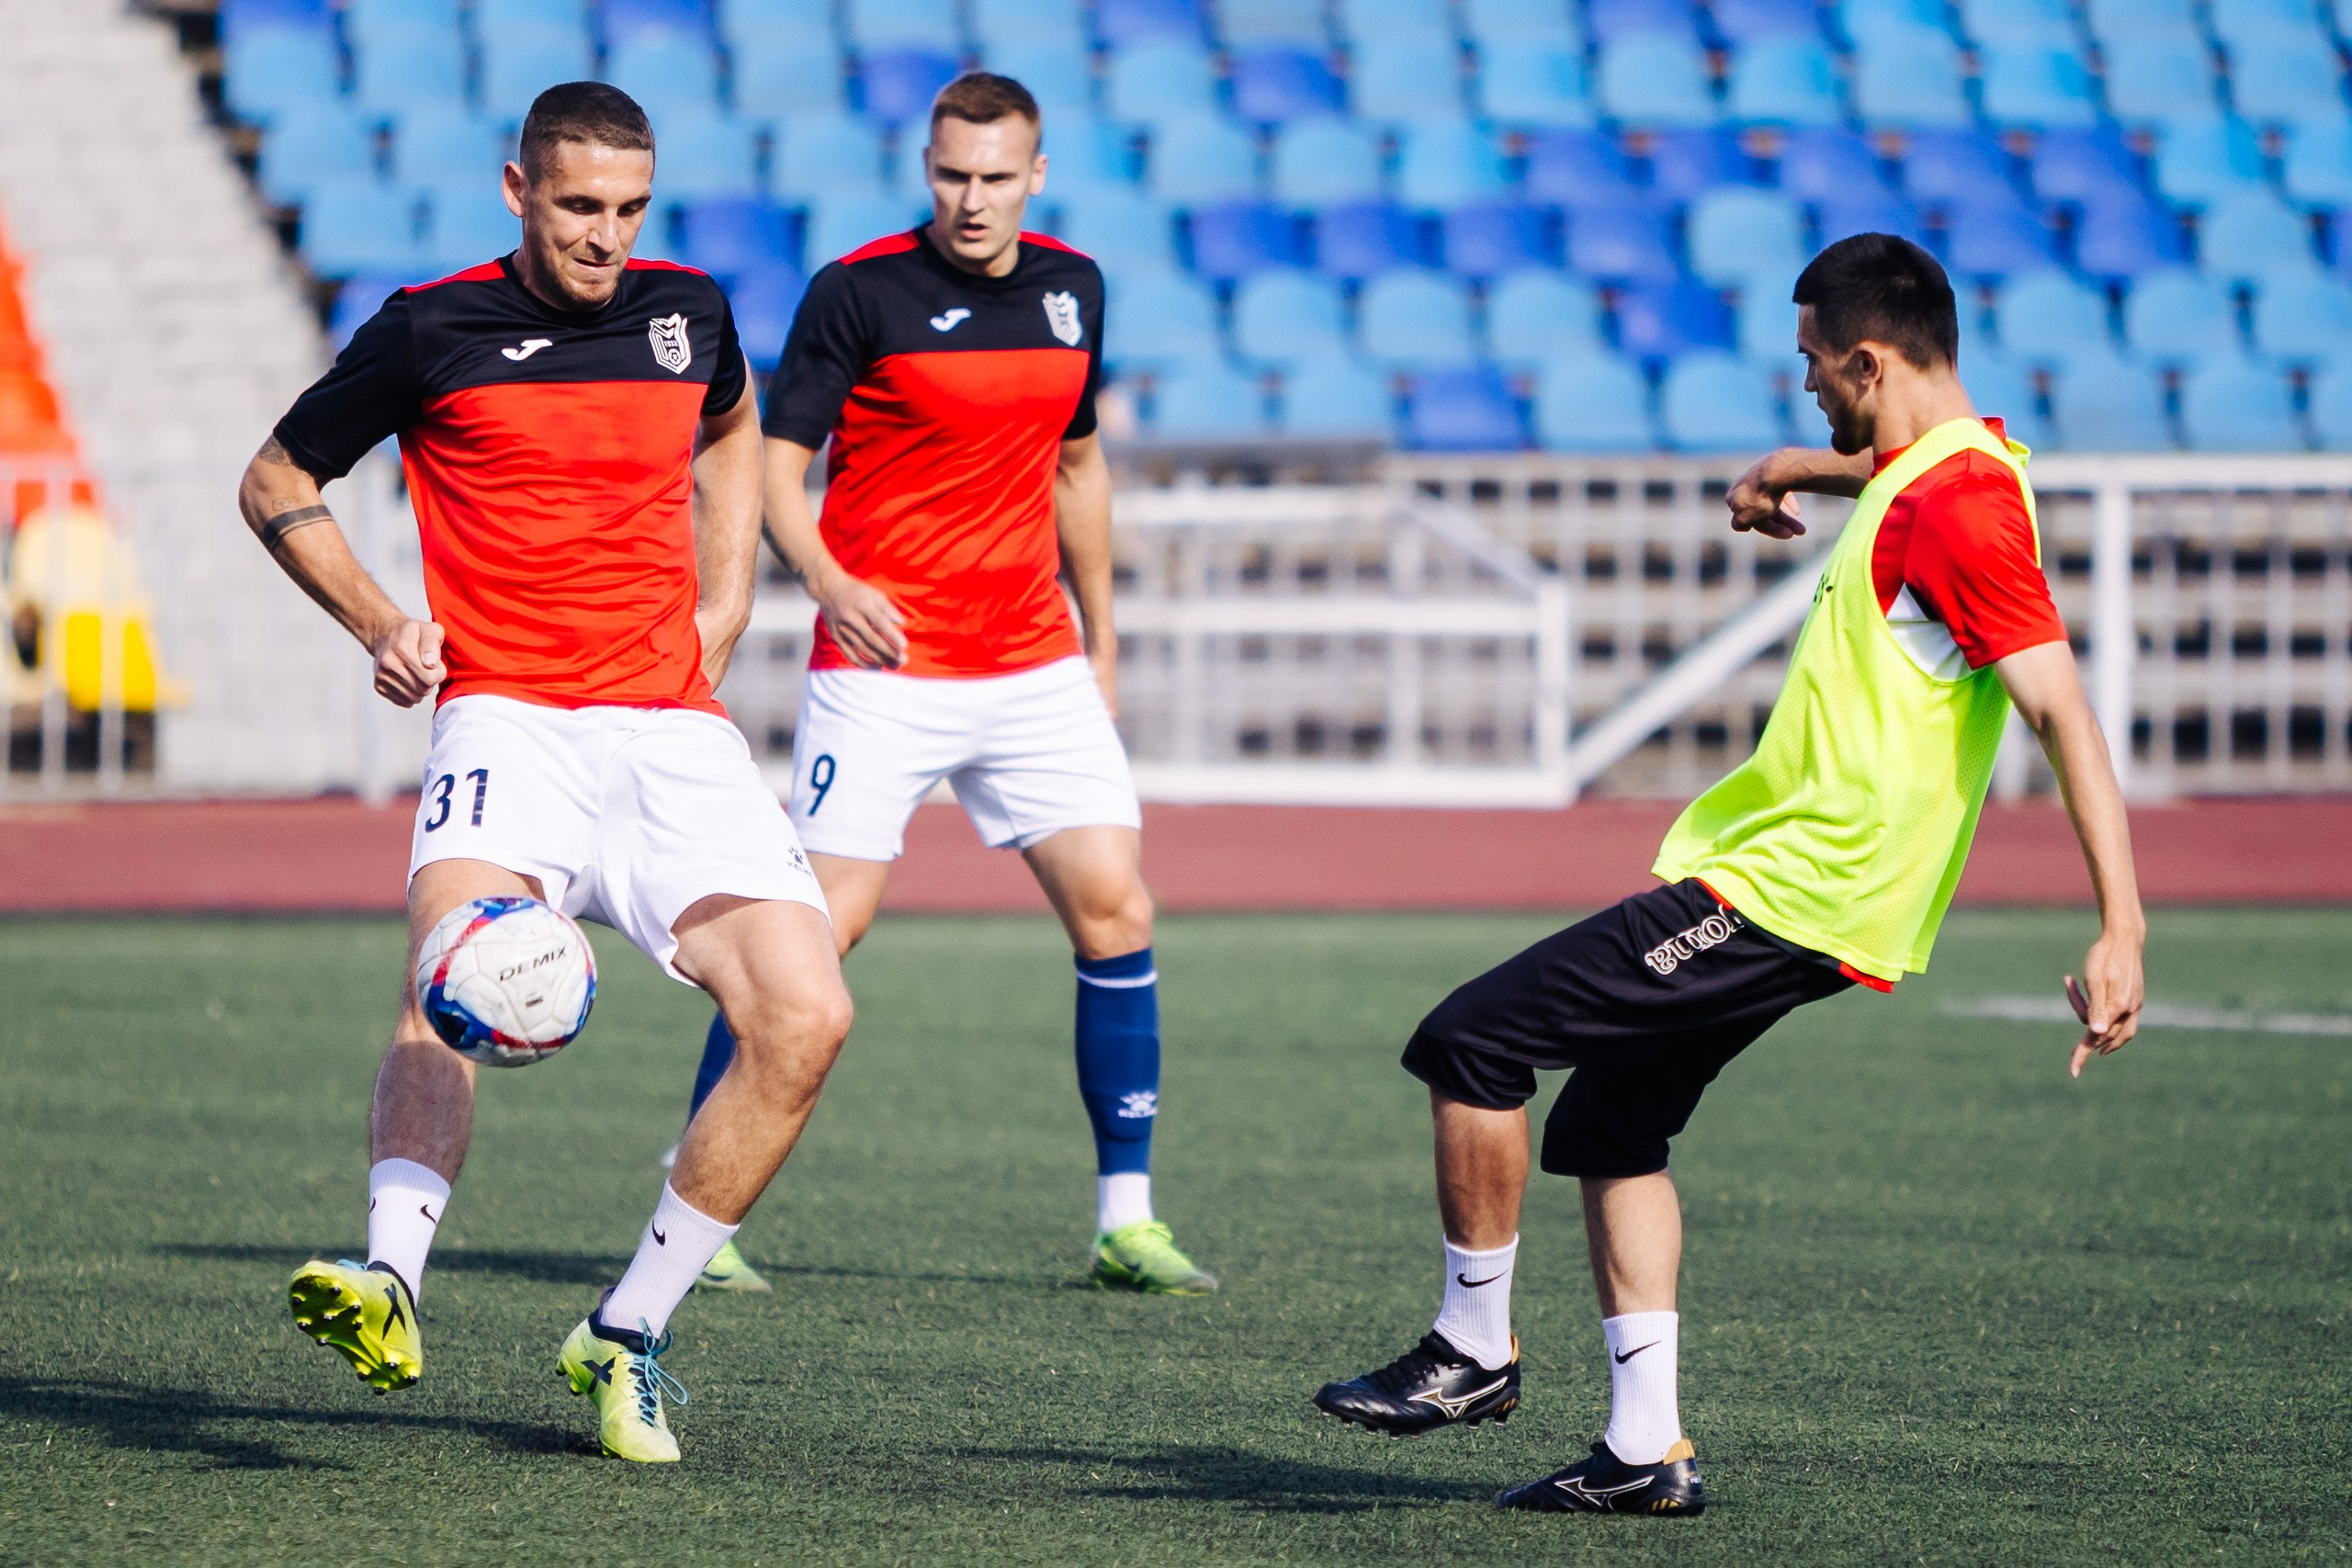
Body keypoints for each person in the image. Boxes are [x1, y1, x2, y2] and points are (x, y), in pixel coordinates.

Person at [1310, 233, 2146, 1515]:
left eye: (1813, 365)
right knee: (1609, 1128)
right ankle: (1648, 1453)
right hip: (1813, 894)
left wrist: (2120, 926)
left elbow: (2063, 712)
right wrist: (1793, 466)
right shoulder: (1957, 464)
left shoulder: (1957, 507)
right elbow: (1892, 461)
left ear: (1867, 358)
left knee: (1471, 1042)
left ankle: (1471, 1352)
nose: (1804, 382)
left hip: (1788, 891)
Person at [241, 83, 854, 1464]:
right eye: (581, 207)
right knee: (444, 968)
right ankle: (391, 1278)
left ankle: (625, 1334)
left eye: (630, 210)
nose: (607, 237)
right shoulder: (427, 327)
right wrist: (379, 619)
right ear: (518, 189)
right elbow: (277, 479)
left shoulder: (688, 309)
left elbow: (730, 424)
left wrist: (729, 584)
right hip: (506, 714)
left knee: (809, 1019)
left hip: (671, 726)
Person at [672, 72, 1216, 1297]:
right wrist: (827, 580)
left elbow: (1078, 470)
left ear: (1036, 176)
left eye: (993, 177)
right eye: (949, 175)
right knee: (818, 936)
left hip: (1031, 659)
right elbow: (772, 466)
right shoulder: (861, 292)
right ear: (929, 169)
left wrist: (1104, 633)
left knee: (1118, 911)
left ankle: (1126, 1218)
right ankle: (701, 1196)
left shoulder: (1075, 291)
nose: (970, 200)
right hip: (885, 667)